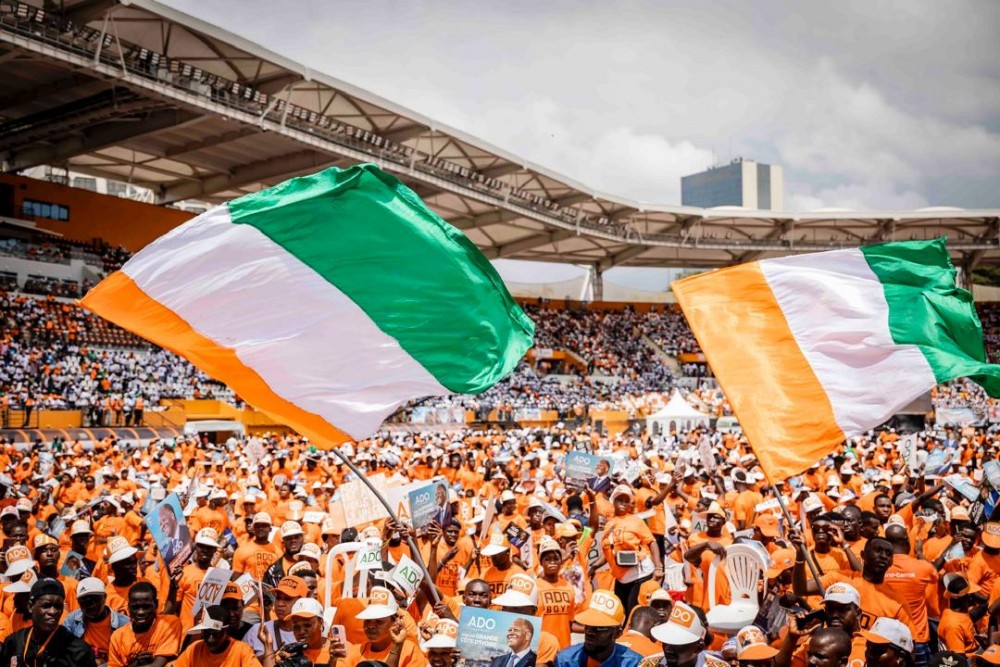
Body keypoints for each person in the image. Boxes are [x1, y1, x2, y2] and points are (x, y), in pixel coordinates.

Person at [0, 578, 98, 667]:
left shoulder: (79, 652)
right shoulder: (14, 642)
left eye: (58, 606)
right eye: (46, 606)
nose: (53, 612)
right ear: (30, 606)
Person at [555, 590, 643, 667]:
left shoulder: (633, 663)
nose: (589, 632)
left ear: (617, 634)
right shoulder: (565, 661)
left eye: (599, 628)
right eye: (588, 624)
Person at [108, 581, 183, 667]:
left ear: (156, 604)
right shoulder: (117, 637)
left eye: (146, 607)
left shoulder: (169, 624)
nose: (141, 612)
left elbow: (158, 665)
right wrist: (136, 663)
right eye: (135, 607)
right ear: (128, 607)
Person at [62, 577, 130, 664]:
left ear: (104, 597)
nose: (91, 605)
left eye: (95, 599)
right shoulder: (72, 620)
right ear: (78, 602)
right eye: (84, 601)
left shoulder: (124, 624)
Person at [169, 604, 261, 666]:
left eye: (215, 633)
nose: (210, 638)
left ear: (226, 631)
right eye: (206, 632)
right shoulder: (195, 649)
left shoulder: (241, 651)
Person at [649, 601, 707, 667]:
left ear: (698, 648)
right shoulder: (648, 664)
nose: (668, 649)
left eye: (677, 643)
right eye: (666, 640)